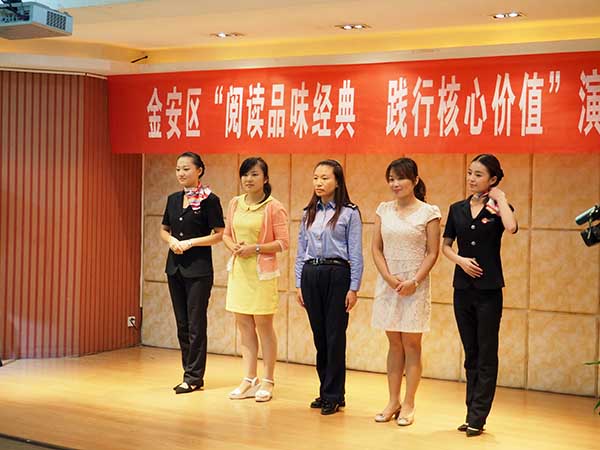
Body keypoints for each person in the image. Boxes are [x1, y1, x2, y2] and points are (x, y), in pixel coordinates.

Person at [442, 154, 518, 437]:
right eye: (470, 173)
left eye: (479, 174)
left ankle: (478, 417)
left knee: (486, 353)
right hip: (462, 289)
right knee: (470, 353)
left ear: (492, 179)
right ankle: (470, 413)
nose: (471, 179)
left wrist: (501, 197)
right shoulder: (457, 209)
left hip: (488, 290)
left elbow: (511, 227)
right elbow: (446, 246)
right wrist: (460, 261)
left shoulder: (498, 208)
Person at [371, 158, 441, 426]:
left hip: (415, 284)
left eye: (400, 178)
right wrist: (388, 278)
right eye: (391, 179)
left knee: (412, 345)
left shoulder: (429, 212)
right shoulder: (383, 209)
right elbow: (376, 248)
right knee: (394, 344)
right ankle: (393, 400)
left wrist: (415, 281)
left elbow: (432, 252)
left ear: (415, 180)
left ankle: (409, 403)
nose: (395, 183)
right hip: (389, 283)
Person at [295, 159, 363, 415]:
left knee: (335, 336)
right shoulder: (308, 212)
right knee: (320, 336)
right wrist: (299, 283)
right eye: (316, 178)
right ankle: (326, 391)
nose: (319, 183)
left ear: (337, 182)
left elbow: (355, 253)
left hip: (337, 274)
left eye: (325, 178)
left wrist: (353, 287)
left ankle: (333, 395)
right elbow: (301, 251)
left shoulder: (349, 212)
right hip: (311, 273)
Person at [223, 157, 289, 403]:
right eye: (245, 174)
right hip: (239, 271)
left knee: (263, 325)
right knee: (243, 325)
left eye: (254, 174)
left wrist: (255, 248)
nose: (248, 179)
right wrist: (234, 246)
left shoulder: (274, 207)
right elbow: (226, 234)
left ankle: (268, 380)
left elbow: (283, 243)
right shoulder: (234, 203)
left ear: (265, 178)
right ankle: (249, 379)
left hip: (263, 274)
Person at [160, 152, 225, 394]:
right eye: (178, 169)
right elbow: (164, 229)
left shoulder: (210, 199)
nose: (181, 173)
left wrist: (191, 243)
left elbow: (219, 234)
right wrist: (171, 241)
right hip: (174, 267)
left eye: (186, 168)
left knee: (196, 323)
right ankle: (188, 372)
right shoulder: (173, 199)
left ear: (199, 170)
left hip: (198, 270)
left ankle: (194, 377)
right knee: (182, 324)